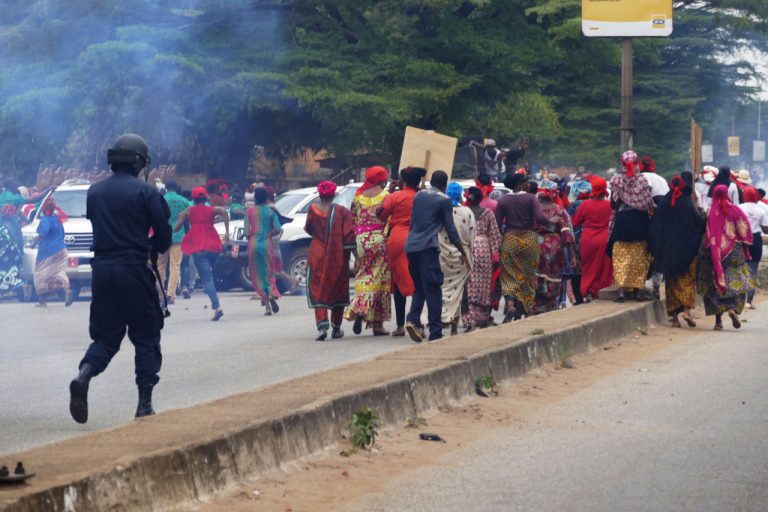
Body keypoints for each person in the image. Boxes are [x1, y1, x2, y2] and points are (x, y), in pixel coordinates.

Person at [68, 133, 172, 424]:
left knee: (107, 335)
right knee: (145, 334)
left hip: (101, 270)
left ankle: (84, 375)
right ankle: (144, 405)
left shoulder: (95, 191)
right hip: (133, 269)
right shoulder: (147, 193)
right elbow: (164, 240)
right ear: (139, 161)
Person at [404, 171, 469, 343]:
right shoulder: (444, 200)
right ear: (445, 184)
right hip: (428, 248)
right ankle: (435, 331)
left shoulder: (419, 196)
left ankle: (412, 320)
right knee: (433, 288)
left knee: (419, 287)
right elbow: (451, 230)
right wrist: (463, 251)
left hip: (411, 246)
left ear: (431, 181)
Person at [649, 174, 706, 328]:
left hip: (668, 251)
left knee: (671, 283)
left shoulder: (665, 202)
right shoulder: (688, 203)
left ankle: (674, 319)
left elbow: (656, 226)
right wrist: (703, 216)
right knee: (687, 280)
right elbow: (697, 224)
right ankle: (687, 311)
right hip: (686, 250)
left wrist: (658, 248)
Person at [697, 184, 753, 330]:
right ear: (727, 194)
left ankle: (718, 322)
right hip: (733, 250)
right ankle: (733, 309)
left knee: (714, 283)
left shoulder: (710, 212)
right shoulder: (736, 210)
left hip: (713, 252)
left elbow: (704, 230)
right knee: (738, 280)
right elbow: (744, 230)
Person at [496, 173, 551, 321]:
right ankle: (528, 309)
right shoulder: (531, 198)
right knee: (528, 275)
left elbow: (497, 223)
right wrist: (550, 222)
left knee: (509, 274)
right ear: (520, 184)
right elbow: (540, 218)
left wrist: (501, 240)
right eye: (526, 182)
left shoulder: (502, 200)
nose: (528, 184)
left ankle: (511, 304)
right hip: (529, 239)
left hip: (510, 239)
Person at [305, 181, 355, 341]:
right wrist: (357, 256)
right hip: (337, 256)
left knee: (318, 288)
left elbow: (309, 229)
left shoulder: (312, 210)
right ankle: (336, 327)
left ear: (319, 195)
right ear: (334, 195)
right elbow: (349, 237)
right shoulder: (342, 212)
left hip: (317, 254)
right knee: (337, 288)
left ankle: (322, 327)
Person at [377, 167, 425, 337]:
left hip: (398, 240)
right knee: (419, 281)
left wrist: (389, 193)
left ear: (402, 181)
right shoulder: (423, 197)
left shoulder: (396, 196)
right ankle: (416, 321)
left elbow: (380, 214)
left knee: (399, 281)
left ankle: (400, 325)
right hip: (420, 239)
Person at [346, 166, 391, 335]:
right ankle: (376, 323)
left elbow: (353, 218)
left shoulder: (358, 196)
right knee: (380, 280)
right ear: (382, 180)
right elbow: (389, 217)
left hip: (361, 240)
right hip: (379, 239)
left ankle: (360, 307)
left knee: (363, 274)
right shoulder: (386, 196)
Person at [176, 186, 229, 321]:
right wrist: (227, 232)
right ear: (205, 198)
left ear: (193, 199)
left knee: (207, 279)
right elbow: (223, 211)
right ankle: (215, 302)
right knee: (209, 273)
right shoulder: (211, 210)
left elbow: (176, 229)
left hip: (199, 248)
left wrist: (181, 217)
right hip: (213, 246)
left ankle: (217, 307)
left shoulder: (189, 211)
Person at [609, 151, 655, 302]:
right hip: (640, 221)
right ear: (636, 163)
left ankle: (621, 291)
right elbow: (648, 203)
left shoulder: (616, 180)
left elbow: (613, 204)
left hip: (622, 221)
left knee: (620, 254)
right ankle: (639, 291)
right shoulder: (642, 180)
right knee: (640, 255)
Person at [532, 180, 576, 314]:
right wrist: (573, 255)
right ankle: (551, 307)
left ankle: (536, 307)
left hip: (536, 245)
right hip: (555, 248)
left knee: (536, 277)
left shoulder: (534, 209)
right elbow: (567, 233)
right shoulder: (559, 210)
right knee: (553, 278)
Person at [462, 186, 501, 332]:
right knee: (484, 285)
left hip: (466, 248)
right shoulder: (488, 213)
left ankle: (470, 320)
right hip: (484, 249)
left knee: (468, 285)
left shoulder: (462, 212)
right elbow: (495, 236)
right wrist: (495, 255)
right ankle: (483, 318)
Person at [439, 182, 476, 336]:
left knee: (444, 288)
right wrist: (470, 253)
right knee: (459, 291)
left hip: (443, 255)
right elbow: (471, 235)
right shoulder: (466, 212)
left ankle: (443, 316)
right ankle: (453, 327)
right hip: (462, 258)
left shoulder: (440, 211)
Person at [573, 176, 613, 301]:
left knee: (588, 268)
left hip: (588, 240)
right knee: (604, 267)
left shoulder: (585, 205)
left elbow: (575, 222)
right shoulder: (610, 205)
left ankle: (588, 291)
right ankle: (602, 291)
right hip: (605, 240)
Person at [245, 187, 281, 315]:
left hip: (253, 245)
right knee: (268, 273)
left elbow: (247, 232)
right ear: (266, 198)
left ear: (255, 198)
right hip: (266, 244)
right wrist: (269, 232)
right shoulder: (271, 211)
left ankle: (267, 308)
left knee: (258, 275)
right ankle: (271, 294)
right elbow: (278, 229)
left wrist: (252, 234)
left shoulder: (249, 211)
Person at [34, 196, 73, 307]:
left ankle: (42, 301)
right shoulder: (57, 218)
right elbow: (62, 233)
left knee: (39, 273)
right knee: (59, 272)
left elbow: (42, 234)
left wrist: (33, 243)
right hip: (61, 249)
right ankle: (67, 291)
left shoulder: (45, 219)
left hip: (47, 252)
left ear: (44, 208)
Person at [156, 181, 190, 304]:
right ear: (177, 188)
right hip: (178, 237)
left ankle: (160, 294)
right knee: (175, 266)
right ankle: (171, 294)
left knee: (160, 265)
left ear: (166, 187)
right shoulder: (184, 201)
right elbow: (188, 219)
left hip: (162, 237)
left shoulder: (160, 200)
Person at [737, 186, 768, 309]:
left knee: (740, 269)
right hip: (755, 241)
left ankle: (739, 298)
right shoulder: (760, 210)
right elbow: (766, 229)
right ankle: (749, 301)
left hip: (740, 240)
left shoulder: (738, 208)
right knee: (753, 270)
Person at [565, 179, 593, 305]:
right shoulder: (592, 203)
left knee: (576, 272)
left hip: (574, 242)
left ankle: (579, 299)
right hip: (590, 239)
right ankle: (589, 294)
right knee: (590, 268)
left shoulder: (570, 206)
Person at [0, 205, 26, 301]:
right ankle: (22, 287)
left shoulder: (2, 224)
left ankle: (19, 287)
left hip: (5, 255)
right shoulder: (16, 223)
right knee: (14, 273)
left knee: (5, 274)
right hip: (15, 253)